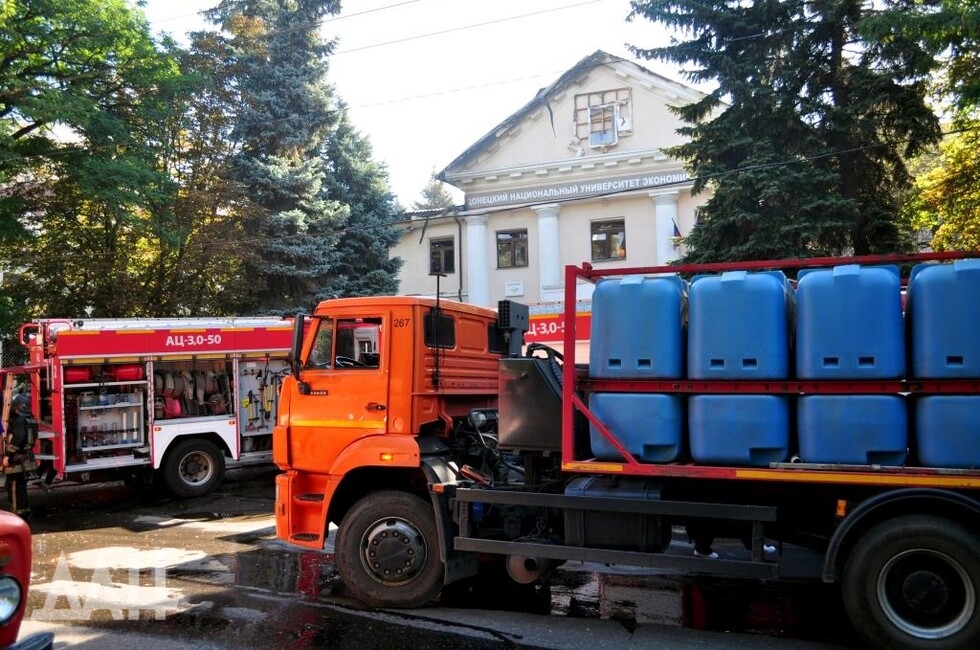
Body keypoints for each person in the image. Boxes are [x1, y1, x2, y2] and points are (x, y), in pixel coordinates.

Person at [3, 393, 37, 519]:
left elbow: (18, 439)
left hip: (17, 459)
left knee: (14, 486)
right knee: (20, 485)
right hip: (27, 457)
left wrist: (7, 455)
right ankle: (24, 510)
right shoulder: (31, 419)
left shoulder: (19, 421)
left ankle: (19, 512)